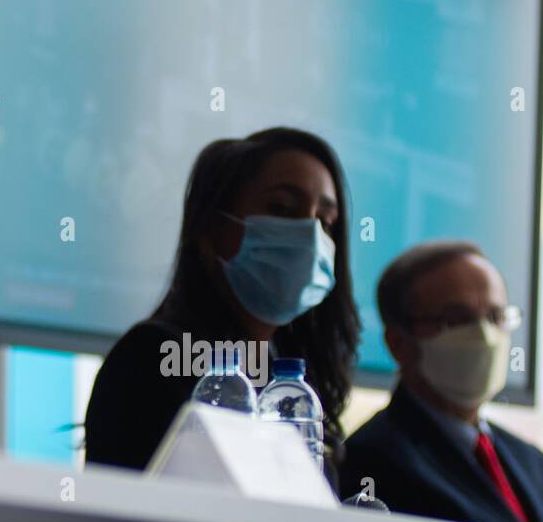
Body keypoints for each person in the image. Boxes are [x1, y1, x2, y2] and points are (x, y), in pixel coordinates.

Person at [84, 127, 361, 478]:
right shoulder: (152, 358)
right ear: (213, 229)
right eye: (282, 208)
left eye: (326, 221)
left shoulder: (291, 373)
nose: (309, 234)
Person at [340, 242, 543, 522]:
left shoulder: (538, 468)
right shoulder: (369, 464)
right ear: (398, 343)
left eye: (495, 316)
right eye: (457, 319)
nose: (484, 336)